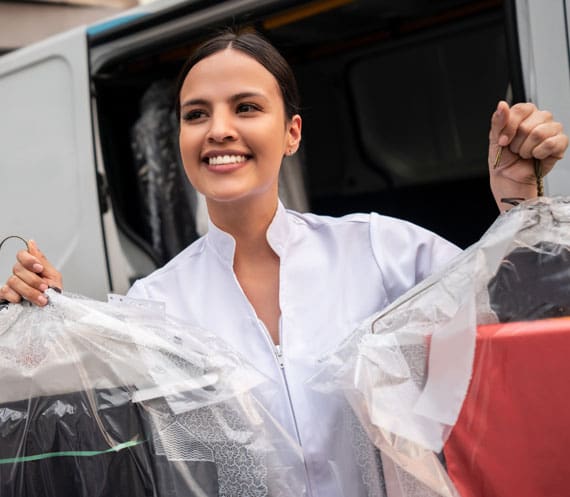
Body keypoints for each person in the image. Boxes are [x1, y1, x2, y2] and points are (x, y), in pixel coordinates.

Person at [1, 30, 568, 496]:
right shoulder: (152, 305)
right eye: (196, 114)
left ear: (291, 132)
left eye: (246, 107)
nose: (219, 129)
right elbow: (88, 425)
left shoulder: (381, 250)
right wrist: (42, 313)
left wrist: (516, 204)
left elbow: (510, 321)